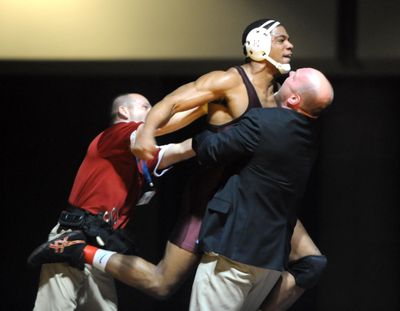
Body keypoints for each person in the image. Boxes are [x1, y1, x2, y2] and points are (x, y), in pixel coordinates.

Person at [30, 18, 327, 310]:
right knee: (162, 284)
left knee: (311, 263)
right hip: (212, 200)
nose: (290, 45)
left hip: (254, 202)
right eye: (281, 39)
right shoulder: (229, 82)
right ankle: (80, 250)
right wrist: (146, 133)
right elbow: (172, 105)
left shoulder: (279, 98)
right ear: (258, 44)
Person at [28, 93, 199, 311]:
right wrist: (202, 108)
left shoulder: (137, 152)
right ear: (123, 112)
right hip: (72, 236)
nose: (153, 111)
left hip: (100, 242)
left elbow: (178, 150)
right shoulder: (115, 134)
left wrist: (216, 136)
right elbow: (157, 127)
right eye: (145, 106)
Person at [189, 67, 334, 310]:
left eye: (295, 77)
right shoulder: (310, 137)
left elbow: (212, 150)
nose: (289, 73)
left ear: (294, 99)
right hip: (269, 261)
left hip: (232, 254)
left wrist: (209, 123)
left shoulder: (263, 121)